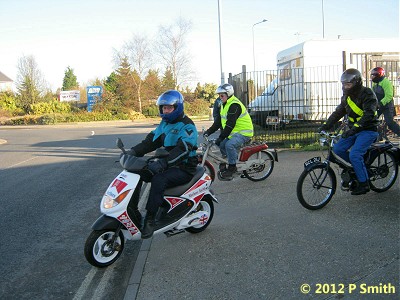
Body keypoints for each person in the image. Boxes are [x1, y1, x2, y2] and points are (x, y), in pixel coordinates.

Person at [128, 90, 198, 239]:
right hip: (167, 163)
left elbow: (183, 149)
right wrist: (133, 152)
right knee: (137, 172)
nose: (165, 111)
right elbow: (151, 140)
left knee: (158, 179)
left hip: (184, 167)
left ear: (177, 107)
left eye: (168, 108)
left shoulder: (188, 126)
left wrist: (163, 163)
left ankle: (150, 219)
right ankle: (132, 211)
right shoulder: (165, 123)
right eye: (163, 108)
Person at [318, 68, 379, 195]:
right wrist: (325, 126)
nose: (345, 87)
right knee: (337, 149)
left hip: (368, 130)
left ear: (357, 83)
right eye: (343, 84)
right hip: (354, 130)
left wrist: (355, 128)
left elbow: (369, 114)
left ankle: (364, 183)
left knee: (354, 155)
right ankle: (357, 169)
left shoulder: (367, 94)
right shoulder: (347, 97)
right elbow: (338, 112)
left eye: (348, 84)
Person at [203, 83, 254, 181]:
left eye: (222, 95)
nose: (220, 97)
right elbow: (218, 122)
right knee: (222, 144)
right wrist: (208, 132)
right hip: (235, 133)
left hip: (244, 132)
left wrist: (221, 137)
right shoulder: (224, 104)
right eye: (219, 95)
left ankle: (232, 167)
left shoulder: (234, 105)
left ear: (228, 94)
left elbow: (230, 125)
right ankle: (226, 161)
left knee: (229, 145)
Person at [370, 67, 400, 137]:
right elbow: (372, 93)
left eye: (373, 75)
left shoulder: (386, 83)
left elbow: (389, 96)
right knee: (371, 120)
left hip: (387, 105)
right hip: (378, 104)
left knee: (390, 122)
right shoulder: (375, 83)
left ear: (378, 75)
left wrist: (380, 103)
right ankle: (376, 136)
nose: (372, 77)